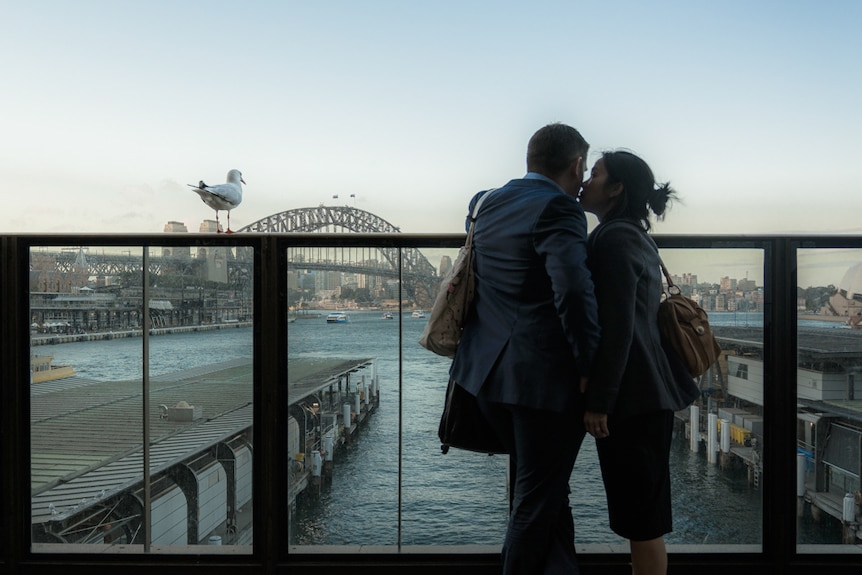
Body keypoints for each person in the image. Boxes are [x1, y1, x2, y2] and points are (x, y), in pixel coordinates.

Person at [450, 122, 601, 574]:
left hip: (485, 376)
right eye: (585, 169)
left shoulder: (486, 202)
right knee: (535, 505)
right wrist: (589, 364)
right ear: (576, 165)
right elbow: (573, 292)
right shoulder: (559, 209)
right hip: (541, 384)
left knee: (545, 493)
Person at [578, 150, 687, 575]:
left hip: (634, 399)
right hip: (648, 394)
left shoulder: (614, 239)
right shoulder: (632, 234)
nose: (586, 181)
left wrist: (600, 400)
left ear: (617, 188)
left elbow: (618, 326)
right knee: (643, 516)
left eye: (596, 174)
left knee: (641, 521)